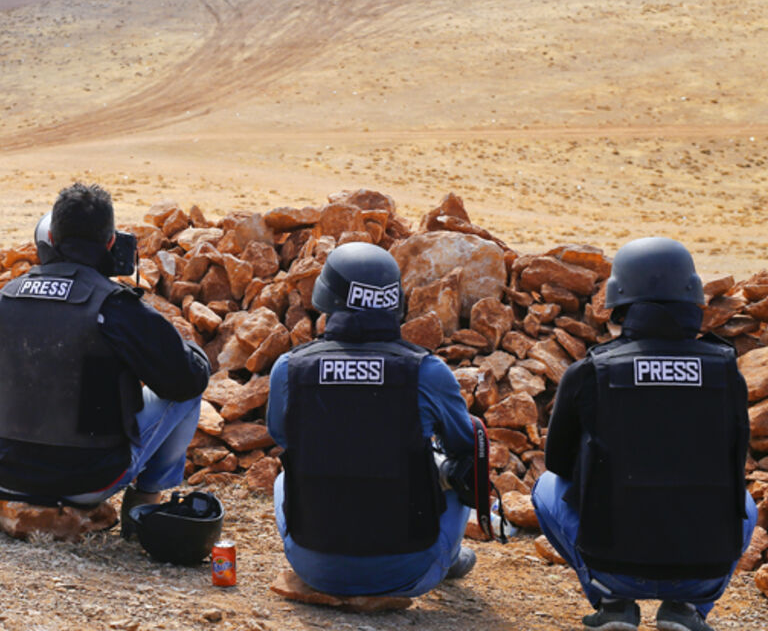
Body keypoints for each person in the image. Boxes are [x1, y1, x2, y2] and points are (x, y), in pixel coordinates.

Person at [531, 237, 756, 631]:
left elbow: (557, 463)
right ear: (692, 297)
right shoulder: (725, 370)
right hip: (701, 567)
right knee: (746, 504)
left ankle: (612, 601)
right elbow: (735, 463)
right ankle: (687, 609)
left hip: (614, 562)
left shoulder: (591, 370)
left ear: (619, 299)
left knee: (546, 486)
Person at [0, 183, 211, 521]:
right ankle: (146, 499)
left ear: (50, 235)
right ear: (110, 242)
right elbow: (186, 381)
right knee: (186, 387)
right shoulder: (115, 304)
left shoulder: (2, 299)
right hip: (90, 479)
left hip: (9, 472)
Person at [266, 242, 478, 597]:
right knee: (455, 473)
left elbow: (282, 436)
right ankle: (446, 556)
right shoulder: (427, 370)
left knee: (285, 476)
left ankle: (329, 560)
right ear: (393, 302)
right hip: (409, 573)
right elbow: (465, 445)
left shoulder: (289, 367)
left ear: (328, 299)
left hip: (314, 568)